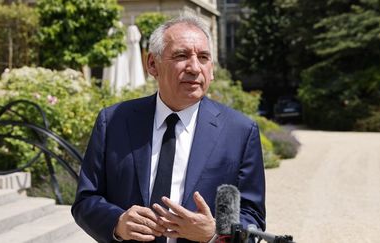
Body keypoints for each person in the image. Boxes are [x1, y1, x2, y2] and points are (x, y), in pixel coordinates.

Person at [72, 14, 265, 243]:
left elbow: (251, 216)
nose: (194, 67)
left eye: (203, 57)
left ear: (212, 68)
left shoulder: (239, 132)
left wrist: (216, 233)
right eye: (181, 56)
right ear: (152, 64)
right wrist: (118, 223)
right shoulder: (113, 121)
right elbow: (86, 200)